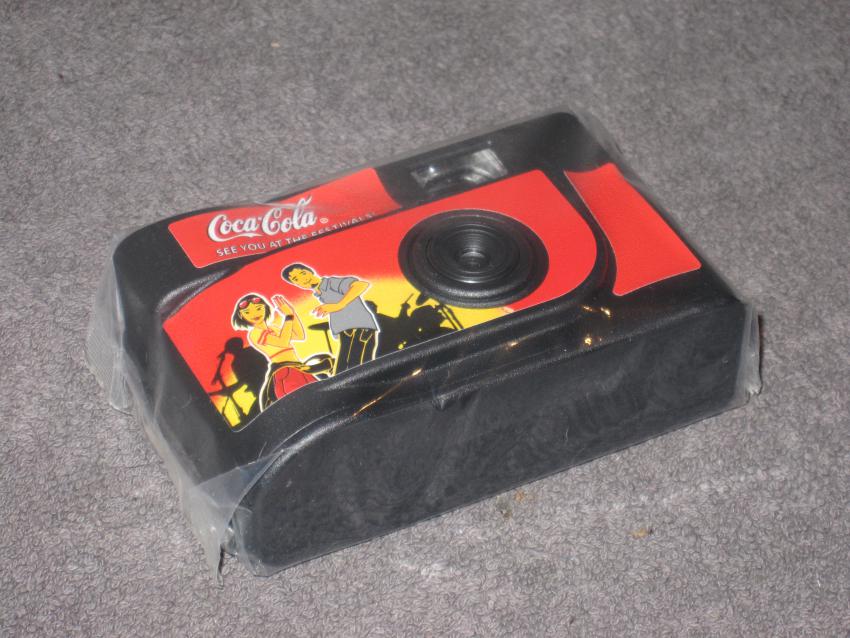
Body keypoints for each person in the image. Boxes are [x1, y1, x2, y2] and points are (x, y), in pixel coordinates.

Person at [281, 263, 379, 374]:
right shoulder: (319, 292)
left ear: (311, 271)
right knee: (343, 370)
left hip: (359, 328)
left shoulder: (330, 283)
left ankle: (329, 364)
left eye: (303, 273)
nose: (303, 279)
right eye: (296, 279)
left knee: (356, 369)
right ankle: (329, 364)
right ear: (295, 284)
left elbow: (361, 285)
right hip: (345, 331)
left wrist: (340, 305)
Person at [231, 293, 316, 411]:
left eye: (258, 308)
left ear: (265, 308)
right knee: (302, 402)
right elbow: (283, 342)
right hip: (284, 370)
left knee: (312, 397)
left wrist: (292, 313)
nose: (254, 314)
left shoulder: (274, 327)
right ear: (241, 315)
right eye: (247, 312)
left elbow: (300, 335)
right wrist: (288, 316)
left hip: (297, 367)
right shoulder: (255, 333)